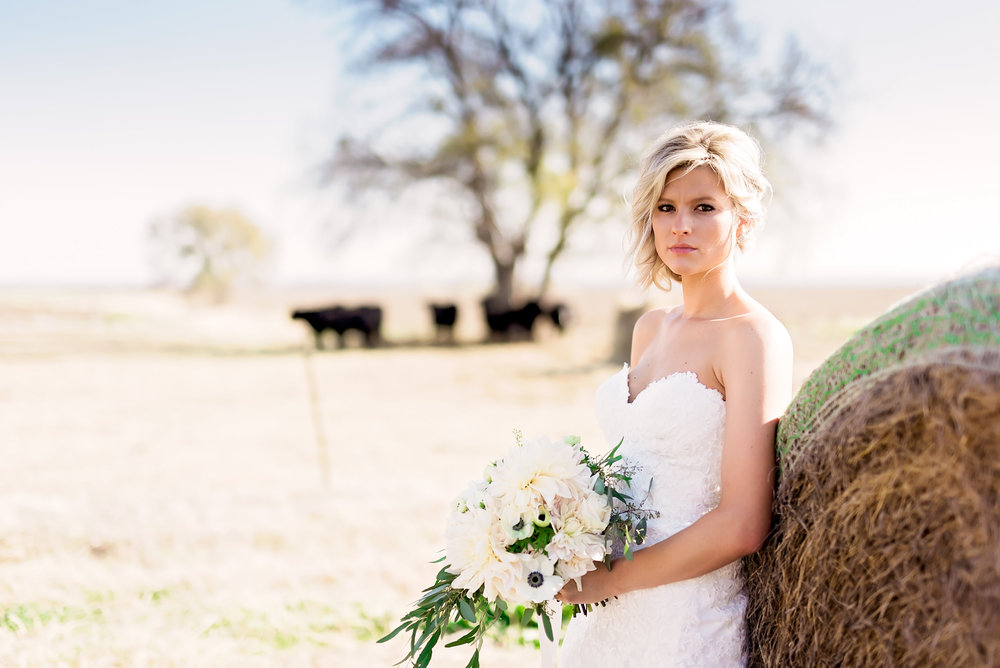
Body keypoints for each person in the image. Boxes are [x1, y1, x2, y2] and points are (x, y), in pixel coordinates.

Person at [555, 121, 793, 666]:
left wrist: (607, 579)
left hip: (683, 621)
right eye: (665, 208)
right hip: (612, 615)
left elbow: (742, 521)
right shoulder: (650, 328)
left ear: (743, 219)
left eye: (704, 207)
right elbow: (636, 466)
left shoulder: (752, 337)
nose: (680, 225)